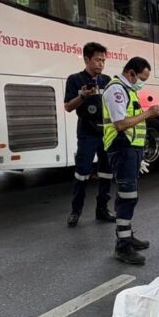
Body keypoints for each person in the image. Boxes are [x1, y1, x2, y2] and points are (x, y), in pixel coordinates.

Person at [102, 57, 159, 265]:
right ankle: (123, 246)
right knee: (127, 197)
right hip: (122, 149)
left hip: (131, 150)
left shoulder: (129, 90)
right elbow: (120, 124)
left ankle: (127, 235)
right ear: (130, 73)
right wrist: (149, 114)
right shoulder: (116, 90)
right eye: (142, 78)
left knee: (130, 195)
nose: (142, 82)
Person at [64, 42, 115, 227]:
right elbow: (68, 107)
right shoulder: (75, 79)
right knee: (82, 173)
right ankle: (75, 211)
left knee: (106, 173)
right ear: (86, 59)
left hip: (106, 133)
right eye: (97, 60)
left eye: (103, 60)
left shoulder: (107, 80)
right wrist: (83, 96)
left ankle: (102, 210)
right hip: (87, 134)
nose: (101, 64)